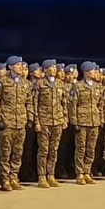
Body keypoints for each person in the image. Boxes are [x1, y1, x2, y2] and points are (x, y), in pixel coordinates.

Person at [0, 55, 32, 190]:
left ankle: (14, 177)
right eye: (17, 65)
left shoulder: (26, 83)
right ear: (10, 67)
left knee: (18, 152)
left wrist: (30, 118)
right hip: (7, 122)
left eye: (21, 65)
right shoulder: (2, 82)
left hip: (20, 122)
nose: (20, 67)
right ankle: (5, 180)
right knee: (5, 153)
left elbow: (29, 102)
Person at [33, 59, 68, 187]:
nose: (54, 69)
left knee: (54, 150)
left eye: (54, 67)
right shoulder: (39, 84)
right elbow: (34, 103)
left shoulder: (60, 84)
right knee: (43, 150)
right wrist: (37, 121)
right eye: (51, 67)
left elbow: (64, 103)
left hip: (57, 121)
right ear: (45, 70)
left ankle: (51, 175)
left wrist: (65, 118)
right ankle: (42, 176)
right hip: (44, 121)